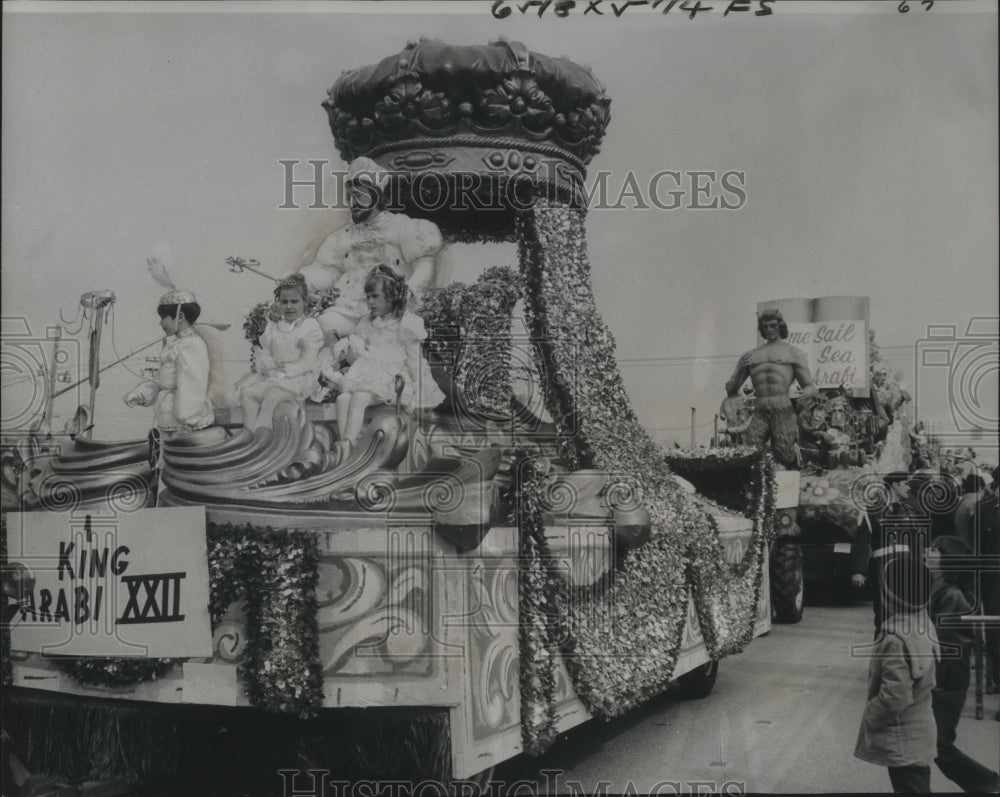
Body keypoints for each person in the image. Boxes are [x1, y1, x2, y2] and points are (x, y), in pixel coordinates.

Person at [299, 157, 444, 344]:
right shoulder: (342, 236)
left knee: (387, 341)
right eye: (350, 196)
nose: (353, 202)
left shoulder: (402, 226)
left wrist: (407, 293)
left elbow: (424, 266)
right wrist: (303, 282)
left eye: (359, 195)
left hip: (392, 309)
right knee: (320, 327)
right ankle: (340, 366)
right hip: (350, 309)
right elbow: (329, 271)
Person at [319, 264, 444, 456]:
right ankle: (344, 450)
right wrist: (348, 355)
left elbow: (414, 362)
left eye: (375, 296)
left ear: (392, 296)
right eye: (368, 297)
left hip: (392, 382)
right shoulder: (367, 323)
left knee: (359, 397)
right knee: (343, 398)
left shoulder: (406, 324)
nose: (370, 302)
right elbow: (360, 356)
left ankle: (349, 448)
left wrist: (420, 392)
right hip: (368, 377)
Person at [854, 553, 938, 794]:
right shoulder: (923, 624)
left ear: (890, 598)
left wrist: (871, 714)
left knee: (911, 788)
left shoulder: (895, 639)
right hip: (919, 732)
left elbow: (895, 697)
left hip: (903, 738)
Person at [925, 535, 1000, 793]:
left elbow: (937, 640)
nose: (927, 551)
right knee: (928, 743)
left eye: (934, 549)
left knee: (938, 745)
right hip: (939, 676)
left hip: (947, 679)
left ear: (948, 560)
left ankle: (988, 783)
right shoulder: (938, 587)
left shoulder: (952, 596)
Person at [720, 308, 816, 468]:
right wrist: (738, 369)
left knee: (785, 454)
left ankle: (788, 486)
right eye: (765, 326)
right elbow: (730, 389)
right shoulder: (751, 356)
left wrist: (807, 393)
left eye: (773, 325)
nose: (769, 330)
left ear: (780, 326)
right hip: (760, 412)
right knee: (750, 454)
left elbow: (811, 386)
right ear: (761, 329)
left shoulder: (793, 353)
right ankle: (755, 490)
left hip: (783, 410)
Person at [236, 274, 323, 431]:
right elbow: (264, 352)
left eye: (294, 301)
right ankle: (249, 434)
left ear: (304, 302)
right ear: (278, 303)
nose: (289, 306)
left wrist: (286, 371)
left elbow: (309, 360)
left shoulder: (310, 326)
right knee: (249, 394)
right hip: (272, 376)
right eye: (284, 302)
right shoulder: (273, 326)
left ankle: (264, 434)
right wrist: (268, 366)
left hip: (297, 379)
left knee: (272, 395)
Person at [123, 290, 214, 436]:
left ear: (180, 316)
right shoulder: (175, 344)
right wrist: (140, 393)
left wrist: (187, 418)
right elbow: (162, 380)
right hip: (168, 418)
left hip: (186, 423)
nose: (160, 323)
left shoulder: (192, 344)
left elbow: (194, 384)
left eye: (163, 317)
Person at [851, 471, 927, 637]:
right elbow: (862, 542)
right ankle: (882, 655)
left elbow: (915, 544)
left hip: (906, 569)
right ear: (894, 485)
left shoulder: (909, 511)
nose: (909, 487)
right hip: (883, 569)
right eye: (905, 484)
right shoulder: (871, 511)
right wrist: (859, 571)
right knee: (884, 617)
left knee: (905, 617)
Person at [952, 473, 985, 550]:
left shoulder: (965, 500)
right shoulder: (974, 502)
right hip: (969, 546)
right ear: (980, 488)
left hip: (961, 541)